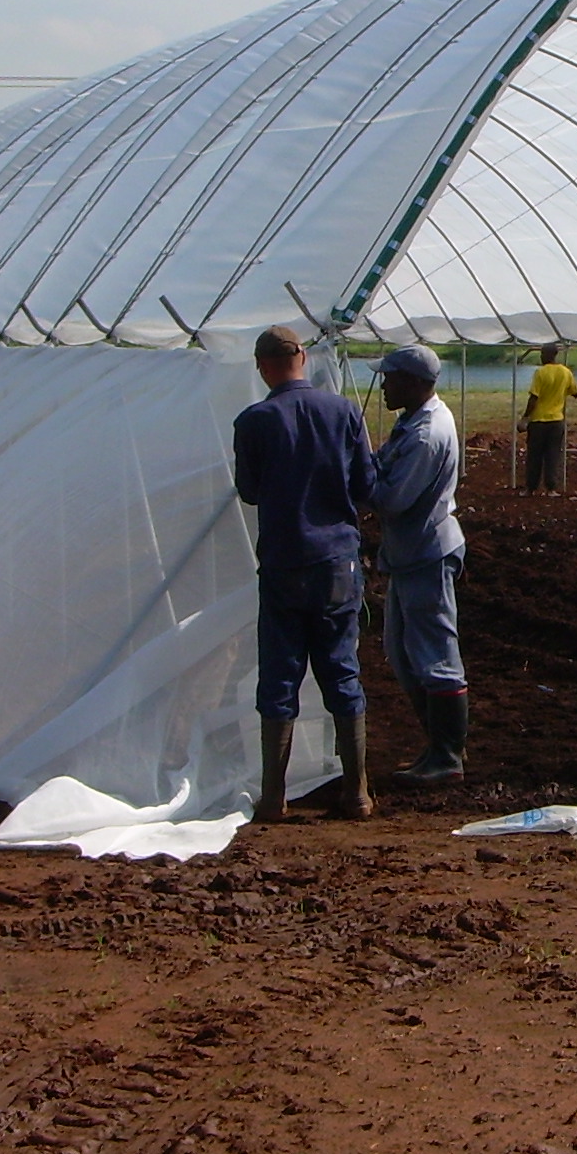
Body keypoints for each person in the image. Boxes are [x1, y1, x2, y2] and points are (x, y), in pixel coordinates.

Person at [232, 325, 375, 823]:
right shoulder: (343, 412)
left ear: (263, 366)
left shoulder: (255, 421)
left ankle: (273, 798)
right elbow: (366, 483)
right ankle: (356, 793)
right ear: (304, 359)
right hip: (337, 560)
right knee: (341, 669)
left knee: (280, 675)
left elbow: (249, 491)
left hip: (284, 561)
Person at [370, 345, 470, 785]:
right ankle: (437, 747)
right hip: (413, 554)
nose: (383, 385)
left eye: (389, 378)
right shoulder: (411, 421)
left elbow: (393, 499)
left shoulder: (427, 434)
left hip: (427, 554)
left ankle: (447, 755)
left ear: (412, 381)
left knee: (435, 655)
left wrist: (356, 480)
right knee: (403, 651)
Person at [522, 344, 577, 494]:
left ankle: (531, 488)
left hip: (539, 421)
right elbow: (575, 392)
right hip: (556, 420)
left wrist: (525, 417)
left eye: (542, 354)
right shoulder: (566, 372)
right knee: (553, 455)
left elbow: (534, 397)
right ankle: (551, 488)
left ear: (548, 355)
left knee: (535, 456)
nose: (541, 357)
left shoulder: (540, 373)